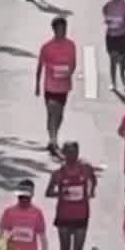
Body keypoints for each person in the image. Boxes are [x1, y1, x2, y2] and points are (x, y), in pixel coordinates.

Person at [45, 140, 98, 250]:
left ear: (78, 153)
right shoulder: (58, 174)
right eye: (68, 153)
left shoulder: (85, 168)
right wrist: (62, 193)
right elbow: (48, 192)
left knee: (78, 246)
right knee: (65, 247)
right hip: (64, 215)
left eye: (74, 152)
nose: (72, 156)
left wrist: (91, 191)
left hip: (82, 214)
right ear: (63, 154)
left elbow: (93, 179)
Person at [35, 18, 78, 151]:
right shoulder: (47, 47)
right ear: (54, 30)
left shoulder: (71, 45)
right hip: (50, 86)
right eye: (59, 29)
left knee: (58, 115)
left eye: (64, 29)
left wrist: (68, 72)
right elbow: (40, 66)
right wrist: (37, 84)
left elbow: (73, 63)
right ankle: (53, 141)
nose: (62, 31)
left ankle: (53, 137)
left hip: (63, 87)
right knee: (52, 111)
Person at [0, 178, 50, 250]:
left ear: (32, 196)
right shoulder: (9, 212)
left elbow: (42, 236)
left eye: (26, 197)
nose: (23, 199)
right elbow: (1, 234)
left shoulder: (37, 213)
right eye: (21, 197)